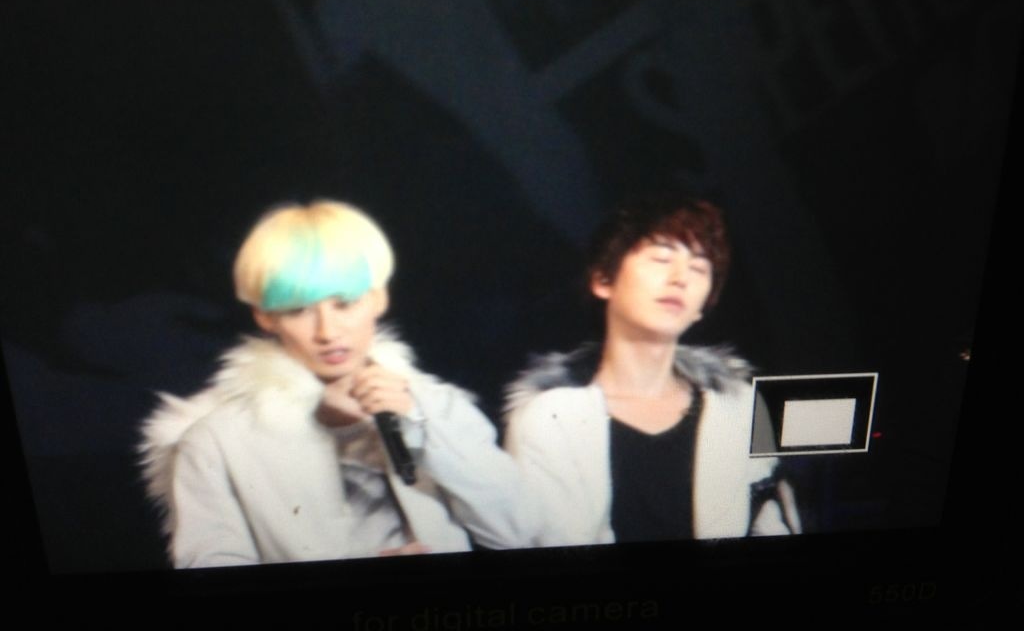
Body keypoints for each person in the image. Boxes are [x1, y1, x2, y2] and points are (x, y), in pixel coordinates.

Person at [140, 200, 529, 567]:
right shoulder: (216, 442)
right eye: (298, 310)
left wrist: (424, 429)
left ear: (377, 299)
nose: (328, 331)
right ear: (265, 317)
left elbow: (518, 533)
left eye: (344, 304)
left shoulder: (437, 408)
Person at [504, 195, 801, 546]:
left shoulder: (741, 410)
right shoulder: (549, 420)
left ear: (703, 305)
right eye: (661, 258)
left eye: (699, 268)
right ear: (603, 280)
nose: (680, 278)